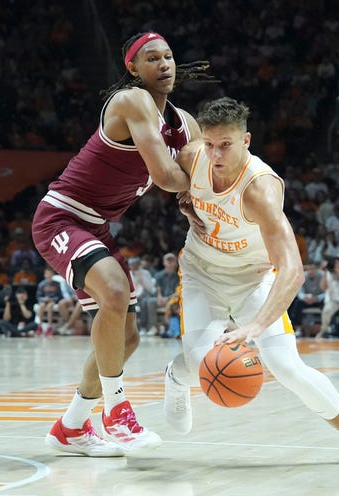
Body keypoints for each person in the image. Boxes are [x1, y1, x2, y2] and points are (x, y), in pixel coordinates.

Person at [163, 97, 339, 468]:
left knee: (285, 366)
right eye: (211, 144)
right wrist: (185, 202)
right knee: (203, 363)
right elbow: (175, 182)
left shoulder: (260, 189)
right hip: (203, 272)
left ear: (246, 141)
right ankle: (175, 375)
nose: (216, 154)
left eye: (226, 145)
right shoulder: (191, 156)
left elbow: (293, 271)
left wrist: (253, 326)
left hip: (253, 278)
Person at [31, 31, 210, 456]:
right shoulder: (131, 102)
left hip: (97, 228)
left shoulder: (186, 123)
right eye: (152, 58)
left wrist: (199, 199)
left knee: (125, 339)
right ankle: (117, 411)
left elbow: (196, 177)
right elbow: (168, 178)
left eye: (168, 56)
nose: (164, 64)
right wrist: (212, 190)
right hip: (62, 215)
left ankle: (71, 427)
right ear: (133, 68)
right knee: (113, 291)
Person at [35, 266, 68, 336]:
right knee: (41, 306)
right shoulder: (41, 284)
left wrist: (53, 299)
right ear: (44, 275)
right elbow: (38, 296)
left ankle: (49, 327)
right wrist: (44, 299)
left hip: (53, 301)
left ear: (53, 275)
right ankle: (39, 326)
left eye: (50, 273)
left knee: (50, 306)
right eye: (47, 273)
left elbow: (60, 296)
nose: (48, 275)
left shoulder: (57, 284)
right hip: (44, 301)